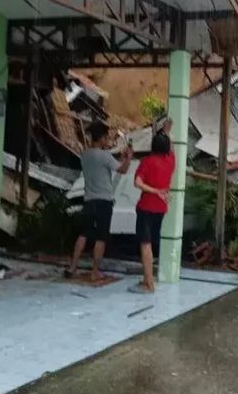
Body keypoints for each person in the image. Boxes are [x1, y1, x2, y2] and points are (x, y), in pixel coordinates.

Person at [66, 122, 133, 281]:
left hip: (89, 200)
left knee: (83, 234)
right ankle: (95, 271)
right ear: (102, 138)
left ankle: (72, 267)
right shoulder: (104, 156)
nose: (108, 140)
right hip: (104, 202)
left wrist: (121, 159)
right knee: (101, 237)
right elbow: (122, 170)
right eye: (106, 137)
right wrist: (128, 158)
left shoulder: (86, 155)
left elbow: (106, 168)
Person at [130, 131, 175, 293]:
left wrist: (154, 191)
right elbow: (173, 148)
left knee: (145, 243)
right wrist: (168, 132)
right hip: (161, 208)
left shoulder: (147, 162)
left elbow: (137, 182)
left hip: (146, 207)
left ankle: (149, 283)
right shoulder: (170, 161)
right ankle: (146, 278)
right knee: (150, 243)